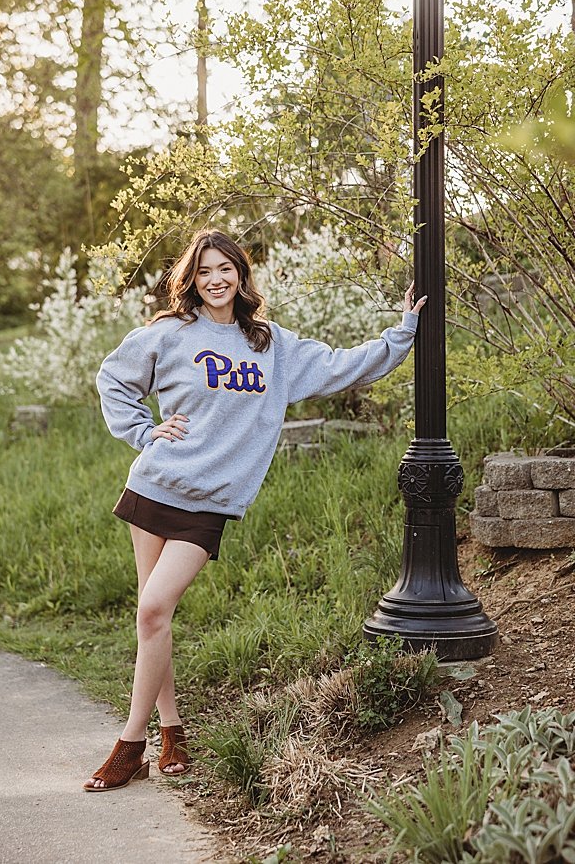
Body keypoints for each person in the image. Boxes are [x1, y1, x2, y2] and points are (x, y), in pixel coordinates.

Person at [84, 229, 426, 791]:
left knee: (152, 609)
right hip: (155, 484)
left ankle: (129, 744)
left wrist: (402, 332)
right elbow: (112, 378)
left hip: (210, 501)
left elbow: (344, 366)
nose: (215, 280)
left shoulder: (271, 344)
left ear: (241, 275)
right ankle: (170, 731)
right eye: (204, 272)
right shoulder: (169, 334)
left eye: (226, 269)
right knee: (154, 617)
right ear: (191, 281)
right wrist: (144, 432)